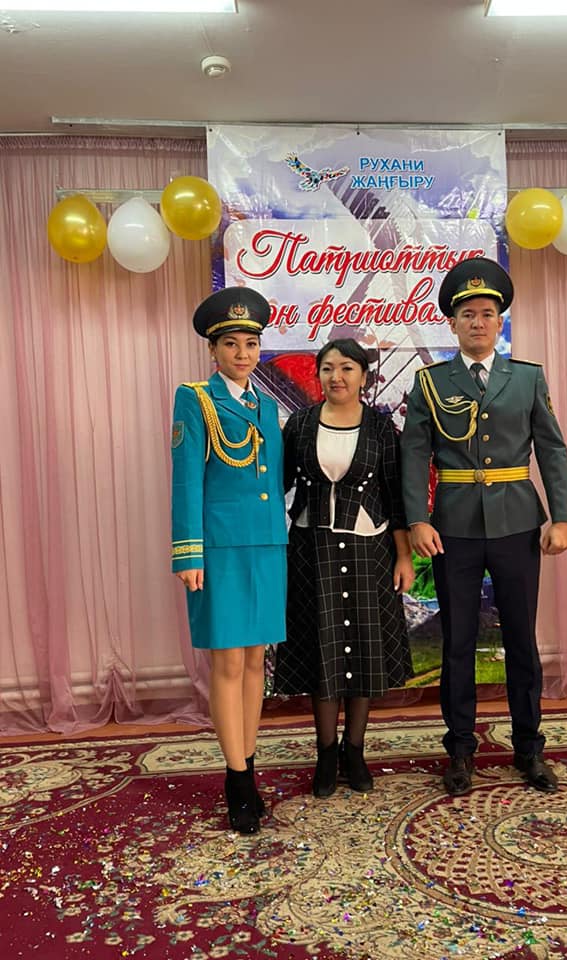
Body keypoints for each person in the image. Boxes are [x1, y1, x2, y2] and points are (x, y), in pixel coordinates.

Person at [400, 257, 567, 796]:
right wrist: (417, 519)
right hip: (452, 527)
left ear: (500, 322)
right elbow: (413, 455)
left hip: (517, 522)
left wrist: (563, 517)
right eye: (468, 315)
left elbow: (551, 449)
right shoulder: (430, 383)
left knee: (521, 638)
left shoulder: (527, 378)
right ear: (452, 323)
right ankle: (460, 751)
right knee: (457, 642)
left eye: (487, 314)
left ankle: (529, 748)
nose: (478, 322)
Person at [274, 339, 415, 797]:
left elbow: (394, 495)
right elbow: (277, 485)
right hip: (311, 549)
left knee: (363, 653)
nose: (337, 376)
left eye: (347, 368)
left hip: (369, 549)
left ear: (363, 376)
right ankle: (326, 754)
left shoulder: (380, 427)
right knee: (324, 651)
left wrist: (404, 556)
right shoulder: (299, 424)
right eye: (328, 368)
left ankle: (355, 750)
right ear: (318, 374)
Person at [171, 286, 287, 834]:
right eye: (232, 344)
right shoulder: (195, 400)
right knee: (228, 663)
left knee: (256, 661)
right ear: (213, 350)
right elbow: (186, 479)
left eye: (251, 343)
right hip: (218, 548)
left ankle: (251, 763)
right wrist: (188, 551)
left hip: (266, 546)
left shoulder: (267, 406)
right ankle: (236, 779)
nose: (243, 353)